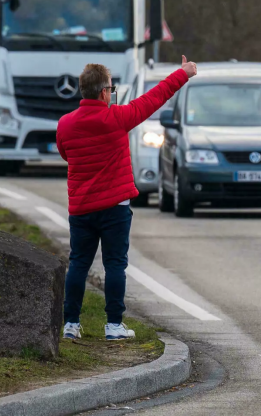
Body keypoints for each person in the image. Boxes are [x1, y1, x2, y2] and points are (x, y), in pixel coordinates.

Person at [57, 55, 197, 340]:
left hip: (81, 208)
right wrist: (182, 74)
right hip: (115, 209)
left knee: (79, 263)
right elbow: (154, 98)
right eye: (111, 89)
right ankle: (113, 325)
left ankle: (70, 323)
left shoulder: (65, 124)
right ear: (104, 92)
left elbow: (66, 155)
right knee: (115, 265)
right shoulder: (118, 118)